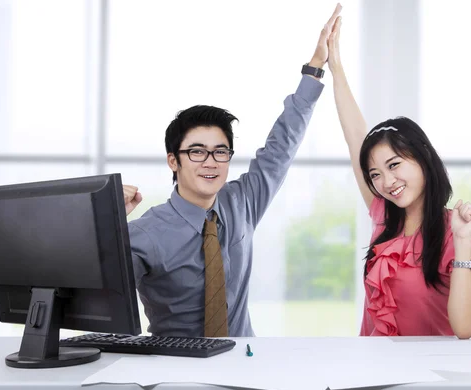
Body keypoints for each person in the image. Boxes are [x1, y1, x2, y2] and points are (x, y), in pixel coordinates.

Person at [121, 5, 343, 338]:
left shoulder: (240, 202)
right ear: (173, 161)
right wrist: (109, 229)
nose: (210, 161)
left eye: (220, 151)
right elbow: (98, 295)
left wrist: (314, 68)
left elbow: (280, 149)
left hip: (244, 361)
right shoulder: (145, 232)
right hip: (174, 370)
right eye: (196, 151)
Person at [326, 15, 471, 338]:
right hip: (373, 374)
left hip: (428, 382)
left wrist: (462, 242)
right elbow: (356, 135)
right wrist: (336, 67)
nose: (386, 182)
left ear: (423, 158)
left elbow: (466, 327)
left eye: (394, 165)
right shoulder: (384, 217)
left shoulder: (455, 232)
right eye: (375, 174)